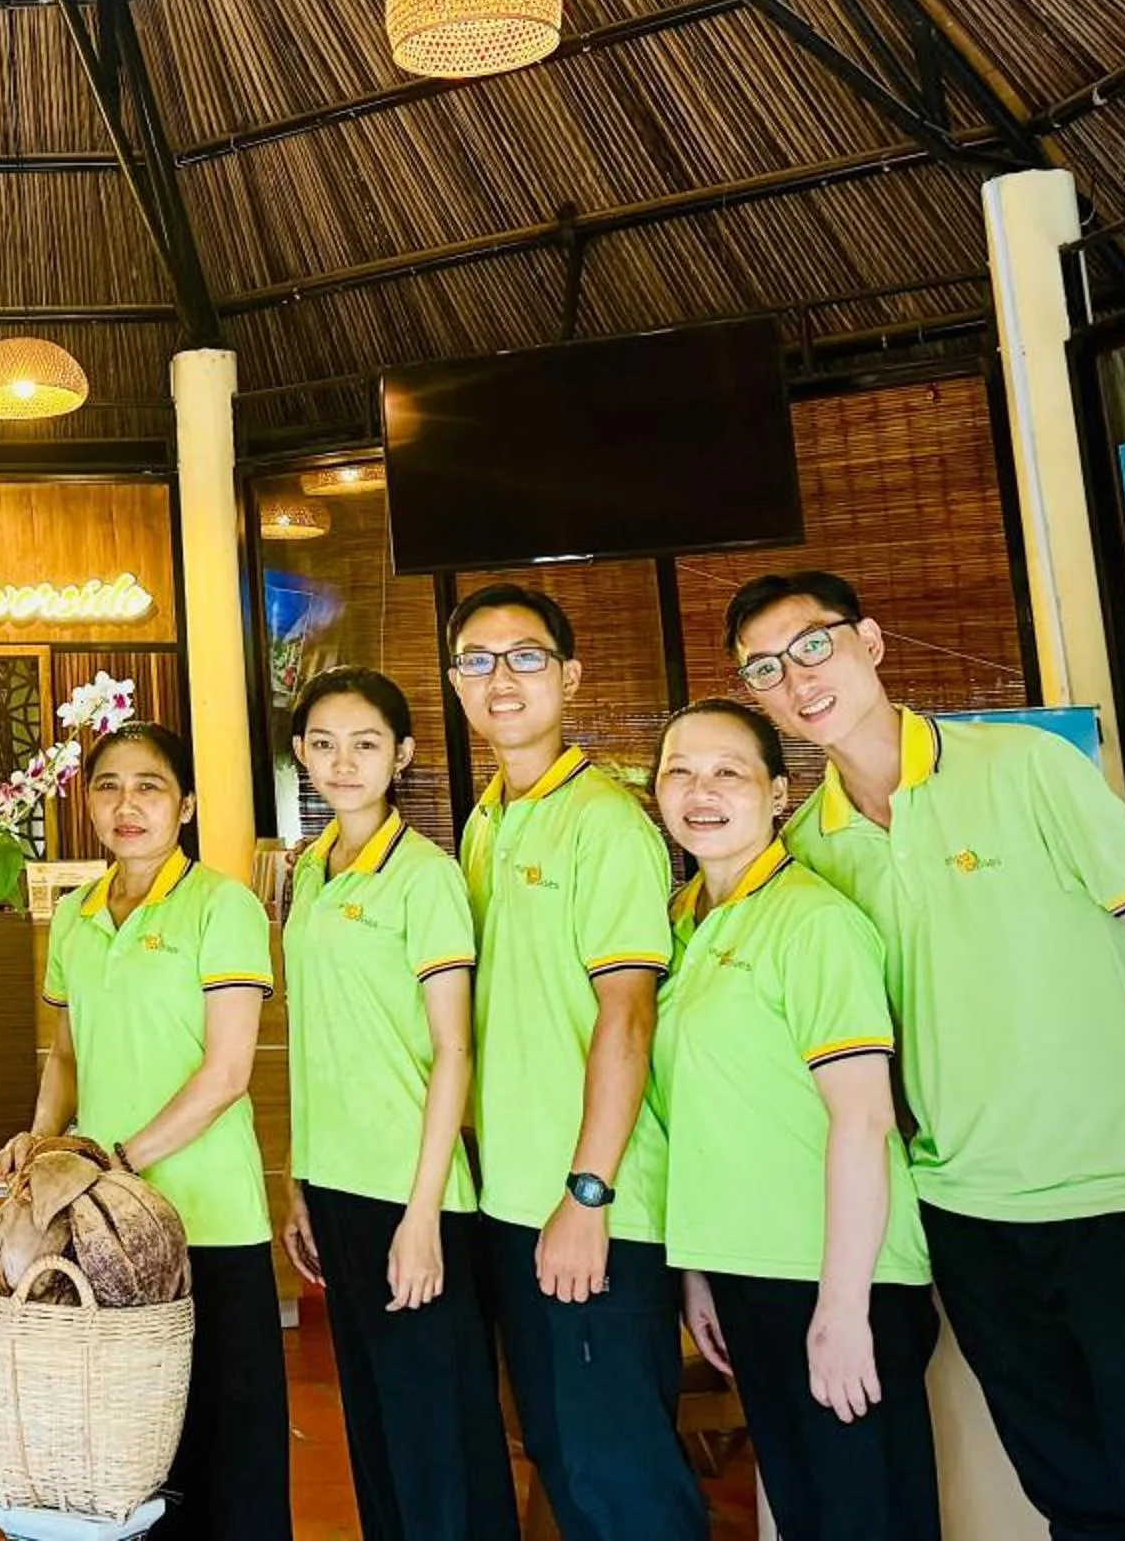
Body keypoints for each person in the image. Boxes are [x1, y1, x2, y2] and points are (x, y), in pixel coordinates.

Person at [729, 569, 1125, 1541]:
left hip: (1123, 1201)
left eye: (813, 644)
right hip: (969, 1221)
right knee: (1075, 1498)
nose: (798, 677)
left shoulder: (1022, 767)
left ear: (871, 641)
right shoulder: (810, 850)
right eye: (765, 668)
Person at [647, 699, 938, 1541]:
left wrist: (843, 1310)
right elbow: (703, 1112)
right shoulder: (680, 922)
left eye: (728, 772)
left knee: (867, 1518)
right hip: (747, 1272)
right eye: (680, 772)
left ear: (779, 792)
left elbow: (863, 1120)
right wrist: (700, 1270)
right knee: (809, 1512)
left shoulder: (813, 922)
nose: (701, 792)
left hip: (844, 1274)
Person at [448, 582, 703, 1541]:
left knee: (622, 1476)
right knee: (562, 1456)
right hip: (512, 1203)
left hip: (595, 1207)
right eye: (477, 659)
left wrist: (588, 1194)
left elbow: (627, 1018)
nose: (500, 678)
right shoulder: (484, 822)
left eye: (525, 657)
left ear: (570, 676)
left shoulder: (605, 823)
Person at [0, 721, 287, 1537]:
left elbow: (228, 1073)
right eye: (109, 785)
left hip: (209, 1218)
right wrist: (44, 1138)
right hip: (105, 1230)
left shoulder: (221, 905)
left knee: (226, 1439)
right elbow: (66, 1051)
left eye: (150, 786)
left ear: (185, 805)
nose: (128, 804)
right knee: (128, 1439)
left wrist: (118, 1162)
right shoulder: (78, 916)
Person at [278, 669, 517, 1541]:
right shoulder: (310, 871)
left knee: (438, 1433)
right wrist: (300, 1178)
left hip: (415, 1193)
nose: (344, 762)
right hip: (337, 1186)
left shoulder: (425, 876)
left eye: (366, 743)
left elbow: (454, 1047)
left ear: (402, 756)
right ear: (301, 755)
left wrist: (422, 1214)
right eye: (325, 744)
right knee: (374, 1422)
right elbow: (315, 1038)